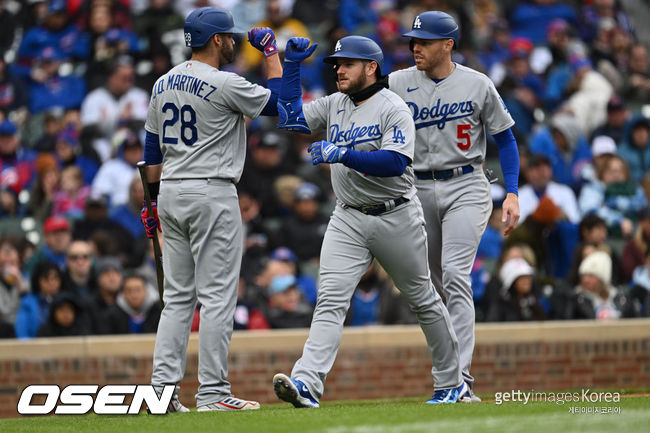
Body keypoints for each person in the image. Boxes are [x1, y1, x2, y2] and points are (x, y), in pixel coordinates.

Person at [271, 35, 465, 408]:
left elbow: (395, 162)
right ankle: (307, 384)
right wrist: (291, 66)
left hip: (395, 214)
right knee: (329, 301)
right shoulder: (335, 104)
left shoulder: (393, 106)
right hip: (348, 216)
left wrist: (341, 153)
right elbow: (291, 120)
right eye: (335, 64)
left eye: (347, 63)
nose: (338, 70)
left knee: (423, 299)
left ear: (371, 67)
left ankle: (451, 382)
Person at [141, 7, 284, 412]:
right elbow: (280, 104)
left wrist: (151, 202)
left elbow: (152, 149)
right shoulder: (223, 82)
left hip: (170, 190)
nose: (233, 42)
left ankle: (162, 394)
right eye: (229, 36)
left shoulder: (162, 82)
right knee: (219, 298)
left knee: (177, 299)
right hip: (211, 190)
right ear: (217, 40)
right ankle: (213, 393)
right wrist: (271, 54)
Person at [388, 11, 520, 401]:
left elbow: (506, 140)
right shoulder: (395, 82)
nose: (416, 47)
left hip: (466, 183)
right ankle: (450, 375)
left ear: (448, 44)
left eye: (424, 41)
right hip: (416, 187)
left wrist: (511, 192)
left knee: (455, 275)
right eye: (413, 41)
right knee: (431, 288)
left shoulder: (477, 84)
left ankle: (458, 380)